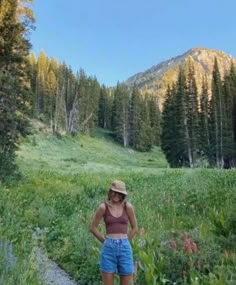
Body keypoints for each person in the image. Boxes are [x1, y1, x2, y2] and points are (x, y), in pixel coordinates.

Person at [90, 180, 138, 285]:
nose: (116, 195)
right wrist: (105, 241)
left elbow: (135, 228)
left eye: (119, 193)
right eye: (114, 192)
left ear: (123, 195)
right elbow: (93, 227)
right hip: (108, 248)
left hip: (125, 248)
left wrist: (125, 241)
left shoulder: (127, 207)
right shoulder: (103, 207)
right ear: (110, 192)